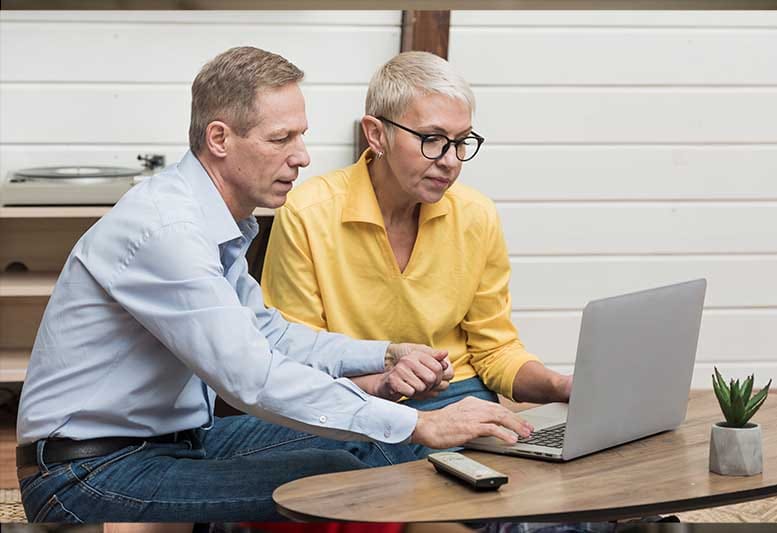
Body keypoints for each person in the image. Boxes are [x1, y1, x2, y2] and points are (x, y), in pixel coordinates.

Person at [15, 47, 533, 523]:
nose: (303, 156)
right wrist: (421, 425)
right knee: (340, 477)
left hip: (176, 442)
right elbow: (253, 377)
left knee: (353, 449)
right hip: (88, 472)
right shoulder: (168, 232)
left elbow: (273, 336)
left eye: (301, 136)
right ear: (220, 139)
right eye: (281, 139)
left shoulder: (216, 222)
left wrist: (386, 353)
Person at [261, 51, 573, 446]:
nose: (450, 161)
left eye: (462, 142)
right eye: (432, 140)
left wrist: (559, 385)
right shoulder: (308, 213)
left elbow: (495, 351)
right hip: (352, 401)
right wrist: (382, 385)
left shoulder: (476, 215)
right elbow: (296, 359)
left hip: (459, 395)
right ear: (376, 134)